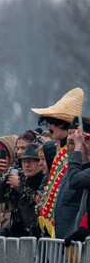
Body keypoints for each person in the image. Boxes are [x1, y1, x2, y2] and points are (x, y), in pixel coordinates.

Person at [32, 87, 84, 237]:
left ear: (62, 124)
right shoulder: (60, 152)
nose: (48, 127)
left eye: (51, 123)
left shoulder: (71, 153)